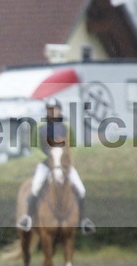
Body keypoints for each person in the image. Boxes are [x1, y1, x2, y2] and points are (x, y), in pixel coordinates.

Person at [17, 98, 96, 234]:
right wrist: (46, 158)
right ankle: (28, 218)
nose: (52, 112)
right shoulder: (40, 127)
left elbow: (73, 146)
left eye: (55, 109)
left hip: (64, 165)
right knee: (35, 188)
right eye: (50, 109)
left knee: (81, 189)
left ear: (60, 110)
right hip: (46, 165)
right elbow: (34, 147)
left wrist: (66, 159)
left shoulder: (66, 126)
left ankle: (83, 221)